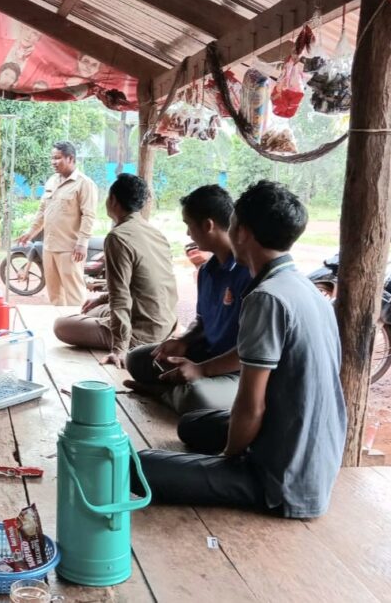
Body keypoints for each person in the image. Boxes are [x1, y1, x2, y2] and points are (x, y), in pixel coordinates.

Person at [131, 181, 346, 518]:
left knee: (137, 466)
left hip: (281, 479)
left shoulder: (266, 298)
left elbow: (252, 405)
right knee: (192, 425)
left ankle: (238, 468)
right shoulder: (305, 288)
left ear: (242, 232)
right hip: (312, 451)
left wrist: (227, 459)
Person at [125, 185, 251, 413]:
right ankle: (174, 389)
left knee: (196, 398)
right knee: (136, 359)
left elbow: (252, 351)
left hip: (238, 370)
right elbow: (202, 321)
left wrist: (201, 370)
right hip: (206, 354)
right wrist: (183, 341)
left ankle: (163, 392)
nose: (187, 234)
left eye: (188, 225)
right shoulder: (207, 271)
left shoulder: (248, 272)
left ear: (208, 225)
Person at [53, 174, 177, 365]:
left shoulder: (118, 237)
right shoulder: (155, 233)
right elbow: (138, 284)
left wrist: (120, 348)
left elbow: (120, 296)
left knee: (61, 326)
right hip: (164, 325)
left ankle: (123, 339)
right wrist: (101, 299)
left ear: (112, 200)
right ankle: (107, 322)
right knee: (92, 310)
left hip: (141, 334)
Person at [18, 141, 97, 306]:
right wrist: (31, 232)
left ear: (71, 158)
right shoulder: (52, 181)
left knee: (74, 294)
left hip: (70, 249)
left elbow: (89, 216)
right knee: (54, 295)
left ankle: (78, 322)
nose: (53, 162)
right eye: (52, 158)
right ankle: (60, 322)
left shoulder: (85, 184)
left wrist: (82, 244)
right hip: (49, 247)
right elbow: (42, 211)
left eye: (58, 158)